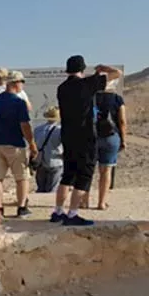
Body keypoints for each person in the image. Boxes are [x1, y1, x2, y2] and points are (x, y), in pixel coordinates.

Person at [52, 56, 122, 226]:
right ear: (82, 69)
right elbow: (117, 73)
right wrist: (102, 68)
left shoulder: (62, 88)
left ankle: (58, 211)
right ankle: (72, 213)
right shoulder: (87, 84)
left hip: (68, 135)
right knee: (84, 175)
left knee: (68, 175)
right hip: (85, 135)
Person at [0, 71, 38, 218]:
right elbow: (25, 125)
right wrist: (32, 143)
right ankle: (21, 208)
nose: (23, 85)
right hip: (15, 144)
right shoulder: (19, 102)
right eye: (22, 82)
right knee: (21, 177)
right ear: (16, 83)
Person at [92, 81, 127, 210]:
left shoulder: (91, 98)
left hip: (92, 137)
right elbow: (122, 121)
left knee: (88, 170)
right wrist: (123, 139)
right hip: (110, 137)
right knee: (106, 170)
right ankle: (101, 202)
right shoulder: (117, 99)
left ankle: (84, 201)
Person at [33, 107, 64, 193]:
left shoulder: (37, 129)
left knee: (41, 188)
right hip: (56, 161)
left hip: (40, 161)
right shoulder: (60, 130)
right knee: (53, 189)